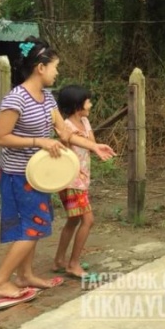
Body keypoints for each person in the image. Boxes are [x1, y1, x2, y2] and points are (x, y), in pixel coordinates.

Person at [0, 37, 115, 311]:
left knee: (31, 226)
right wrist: (38, 142)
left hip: (39, 175)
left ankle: (25, 276)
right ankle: (0, 281)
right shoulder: (16, 98)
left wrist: (94, 146)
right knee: (33, 228)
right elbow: (0, 137)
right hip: (17, 175)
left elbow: (65, 132)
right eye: (55, 66)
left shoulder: (47, 98)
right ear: (40, 67)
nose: (57, 72)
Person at [53, 85, 109, 279]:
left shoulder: (84, 121)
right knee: (88, 220)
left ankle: (59, 260)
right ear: (78, 105)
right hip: (71, 181)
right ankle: (73, 264)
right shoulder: (65, 127)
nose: (91, 104)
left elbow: (91, 143)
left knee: (73, 220)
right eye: (87, 101)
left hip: (82, 178)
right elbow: (70, 145)